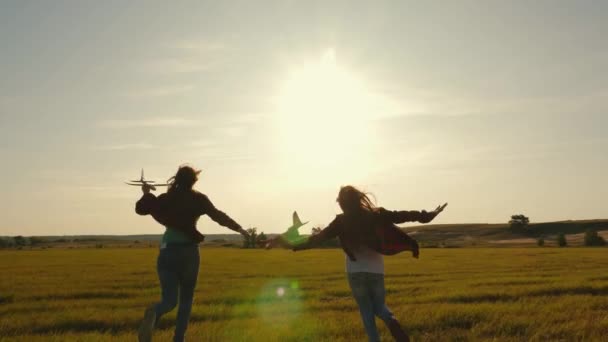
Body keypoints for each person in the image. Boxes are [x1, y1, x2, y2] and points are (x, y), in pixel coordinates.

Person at [283, 185, 447, 342]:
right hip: (376, 270)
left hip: (355, 272)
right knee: (380, 307)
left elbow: (316, 239)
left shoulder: (340, 222)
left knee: (366, 312)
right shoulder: (377, 214)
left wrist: (292, 245)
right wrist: (430, 214)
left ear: (341, 204)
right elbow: (405, 215)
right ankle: (392, 321)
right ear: (358, 199)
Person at [134, 165, 248, 342]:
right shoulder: (199, 199)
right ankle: (179, 339)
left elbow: (142, 209)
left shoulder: (166, 198)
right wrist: (239, 228)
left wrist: (146, 193)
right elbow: (217, 215)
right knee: (186, 300)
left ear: (176, 179)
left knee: (169, 301)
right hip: (189, 253)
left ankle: (155, 311)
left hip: (167, 251)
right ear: (194, 181)